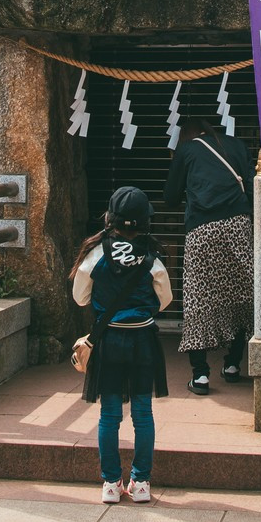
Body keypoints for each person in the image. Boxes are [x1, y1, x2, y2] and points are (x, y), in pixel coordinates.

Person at [71, 186, 171, 504]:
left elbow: (79, 296)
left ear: (110, 218)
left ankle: (111, 483)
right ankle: (141, 482)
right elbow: (165, 299)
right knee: (143, 413)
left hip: (110, 338)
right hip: (142, 338)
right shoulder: (152, 255)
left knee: (109, 414)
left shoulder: (97, 252)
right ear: (145, 221)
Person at [164, 120, 255, 395]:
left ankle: (200, 375)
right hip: (239, 226)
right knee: (241, 294)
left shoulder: (187, 151)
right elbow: (252, 188)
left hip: (202, 229)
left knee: (198, 298)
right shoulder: (237, 146)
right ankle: (232, 365)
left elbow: (169, 197)